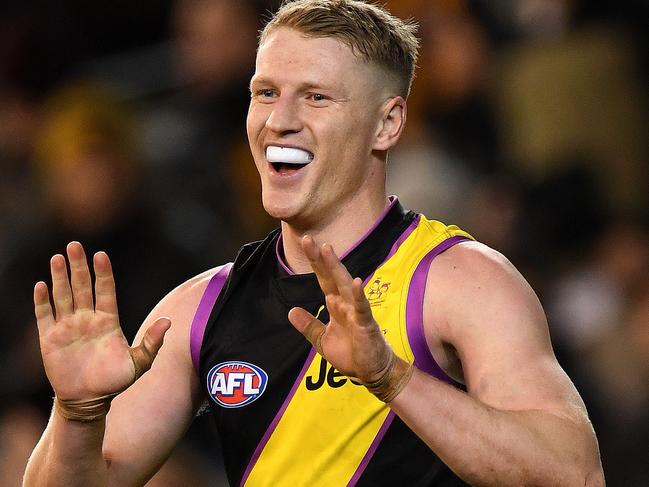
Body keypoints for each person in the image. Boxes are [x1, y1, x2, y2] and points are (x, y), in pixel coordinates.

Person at [24, 1, 604, 486]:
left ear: (387, 125)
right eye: (266, 92)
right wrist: (77, 415)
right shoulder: (199, 309)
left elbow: (574, 474)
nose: (279, 120)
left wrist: (392, 379)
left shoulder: (460, 281)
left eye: (316, 97)